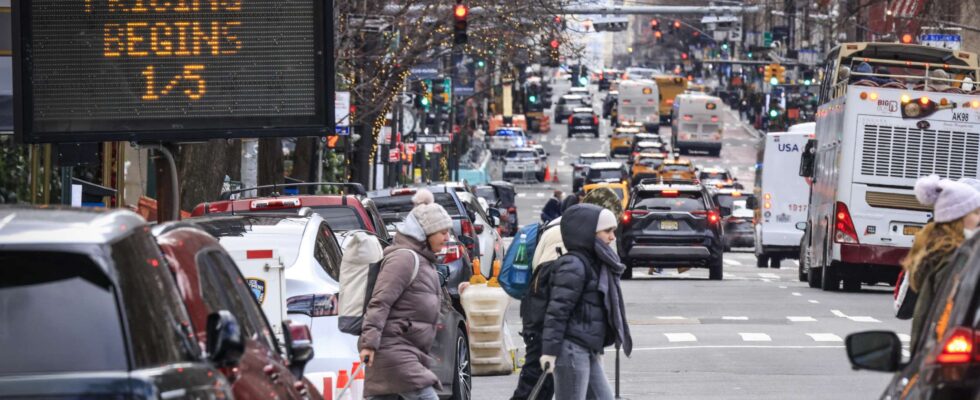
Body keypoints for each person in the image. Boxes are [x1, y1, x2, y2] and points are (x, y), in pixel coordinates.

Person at [359, 189, 454, 400]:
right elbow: (380, 302)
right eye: (442, 232)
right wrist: (368, 344)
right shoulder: (404, 259)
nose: (447, 237)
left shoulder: (424, 261)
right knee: (424, 395)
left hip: (405, 351)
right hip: (394, 350)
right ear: (425, 233)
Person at [540, 204, 632, 400]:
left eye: (614, 231)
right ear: (587, 232)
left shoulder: (597, 263)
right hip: (571, 350)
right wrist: (549, 351)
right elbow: (557, 312)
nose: (612, 237)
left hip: (587, 348)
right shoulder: (573, 265)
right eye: (607, 231)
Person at [905, 175, 980, 352]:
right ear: (958, 218)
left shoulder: (938, 252)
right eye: (976, 213)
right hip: (944, 349)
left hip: (927, 348)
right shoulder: (954, 257)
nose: (979, 219)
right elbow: (952, 308)